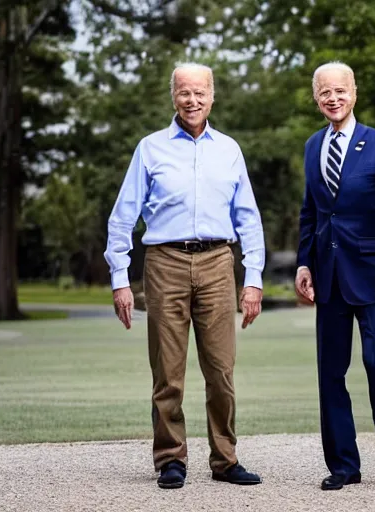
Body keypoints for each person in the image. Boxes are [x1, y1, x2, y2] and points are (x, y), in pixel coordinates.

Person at [104, 63, 265, 489]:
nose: (192, 100)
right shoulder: (150, 148)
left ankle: (225, 459)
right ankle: (170, 459)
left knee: (221, 370)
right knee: (168, 371)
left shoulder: (229, 149)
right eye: (184, 93)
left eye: (200, 93)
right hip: (165, 263)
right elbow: (122, 219)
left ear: (212, 96)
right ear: (173, 96)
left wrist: (253, 278)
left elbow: (249, 219)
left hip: (217, 263)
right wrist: (120, 277)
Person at [295, 62, 375, 492]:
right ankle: (344, 465)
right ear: (317, 98)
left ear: (354, 93)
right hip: (327, 277)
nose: (333, 98)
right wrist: (303, 263)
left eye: (340, 90)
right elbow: (310, 212)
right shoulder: (312, 146)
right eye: (325, 92)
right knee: (331, 372)